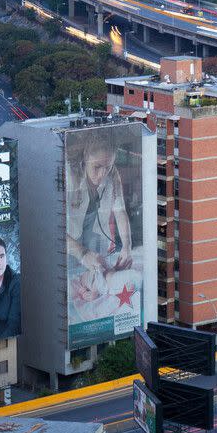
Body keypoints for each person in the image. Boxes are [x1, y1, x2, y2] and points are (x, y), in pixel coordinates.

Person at [65, 134, 139, 320]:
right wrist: (82, 254)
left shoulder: (112, 174)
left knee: (97, 267)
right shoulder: (68, 175)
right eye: (97, 167)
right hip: (68, 238)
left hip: (95, 233)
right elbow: (53, 228)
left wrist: (127, 247)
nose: (102, 174)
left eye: (108, 167)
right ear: (85, 158)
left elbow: (120, 211)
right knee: (72, 275)